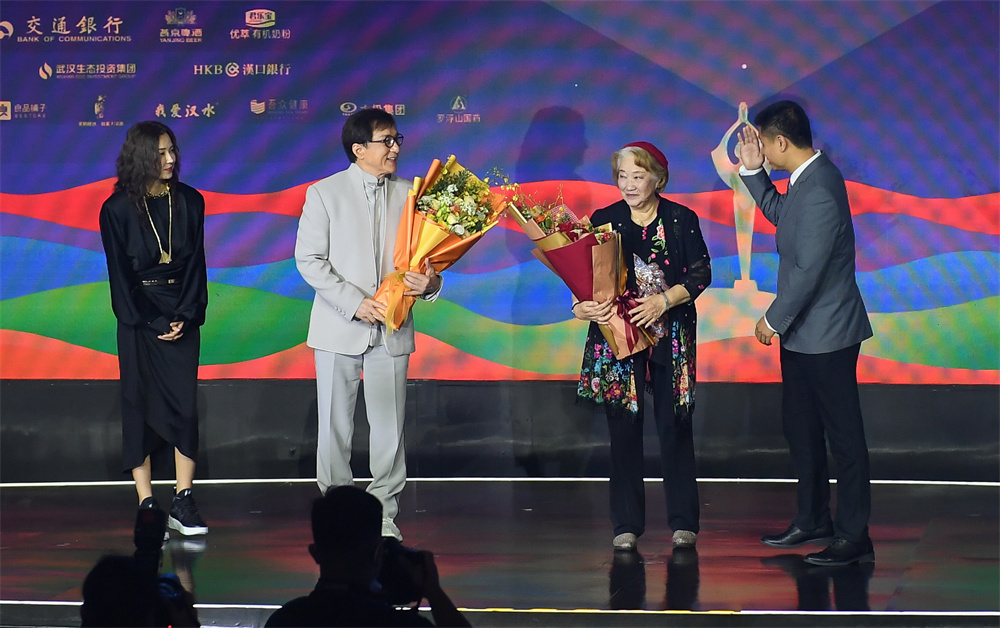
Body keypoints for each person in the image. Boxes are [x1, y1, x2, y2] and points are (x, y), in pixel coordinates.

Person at [736, 100, 875, 566]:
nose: (761, 150)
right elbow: (781, 213)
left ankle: (854, 535)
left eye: (763, 144)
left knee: (844, 437)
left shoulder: (819, 188)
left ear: (781, 141)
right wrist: (753, 171)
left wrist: (772, 320)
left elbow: (808, 272)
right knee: (801, 427)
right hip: (803, 333)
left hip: (827, 334)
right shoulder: (804, 179)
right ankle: (813, 517)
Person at [295, 109, 441, 542]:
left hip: (393, 328)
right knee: (335, 428)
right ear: (359, 149)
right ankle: (337, 512)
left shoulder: (412, 195)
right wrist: (354, 303)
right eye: (386, 141)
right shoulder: (324, 193)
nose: (395, 148)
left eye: (397, 139)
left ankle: (383, 515)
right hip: (338, 326)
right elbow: (309, 260)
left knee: (389, 429)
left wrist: (431, 283)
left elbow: (429, 263)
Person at [573, 142, 712, 551]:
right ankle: (626, 524)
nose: (629, 184)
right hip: (618, 335)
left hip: (670, 335)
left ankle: (683, 521)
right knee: (623, 428)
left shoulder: (680, 219)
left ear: (658, 179)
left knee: (675, 426)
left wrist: (662, 302)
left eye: (638, 176)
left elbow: (700, 274)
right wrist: (581, 306)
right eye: (622, 176)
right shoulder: (604, 221)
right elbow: (584, 278)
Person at [99, 121, 208, 537]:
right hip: (139, 316)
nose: (170, 159)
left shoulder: (190, 200)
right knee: (138, 405)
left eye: (172, 150)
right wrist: (152, 319)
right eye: (160, 153)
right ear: (141, 156)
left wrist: (186, 314)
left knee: (185, 407)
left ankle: (183, 499)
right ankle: (147, 503)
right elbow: (120, 277)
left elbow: (196, 265)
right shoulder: (116, 209)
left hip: (182, 309)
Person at [265, 486, 470, 627]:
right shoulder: (399, 624)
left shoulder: (285, 620)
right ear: (379, 553)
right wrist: (434, 592)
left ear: (315, 553)